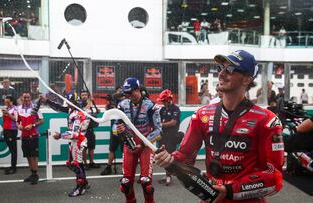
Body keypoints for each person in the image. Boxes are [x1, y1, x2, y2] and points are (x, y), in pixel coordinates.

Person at [155, 50, 285, 203]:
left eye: (229, 69)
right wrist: (169, 161)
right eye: (220, 68)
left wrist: (229, 190)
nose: (221, 74)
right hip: (211, 198)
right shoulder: (202, 116)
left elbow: (274, 178)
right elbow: (184, 158)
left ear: (247, 79)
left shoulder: (267, 120)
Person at [116, 77, 161, 203]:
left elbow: (158, 131)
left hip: (145, 144)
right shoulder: (122, 105)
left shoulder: (151, 106)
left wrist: (142, 143)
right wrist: (119, 129)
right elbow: (116, 126)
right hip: (129, 144)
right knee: (125, 183)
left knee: (146, 183)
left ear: (138, 90)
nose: (129, 96)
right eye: (127, 94)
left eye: (131, 93)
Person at [41, 93, 90, 197]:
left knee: (75, 164)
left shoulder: (79, 113)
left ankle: (80, 188)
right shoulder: (71, 110)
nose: (66, 103)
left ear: (74, 101)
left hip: (78, 141)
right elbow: (59, 108)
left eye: (68, 101)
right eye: (66, 100)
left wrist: (60, 135)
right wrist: (47, 101)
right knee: (76, 164)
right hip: (74, 141)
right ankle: (84, 183)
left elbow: (75, 133)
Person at [17, 91, 43, 185]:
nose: (26, 99)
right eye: (24, 97)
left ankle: (35, 175)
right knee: (28, 155)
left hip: (33, 135)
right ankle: (32, 173)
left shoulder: (35, 108)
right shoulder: (19, 108)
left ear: (30, 98)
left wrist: (32, 125)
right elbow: (17, 121)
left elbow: (41, 120)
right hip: (24, 135)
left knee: (34, 155)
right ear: (21, 98)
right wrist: (18, 126)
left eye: (28, 97)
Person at [156, 89, 180, 186]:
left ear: (168, 100)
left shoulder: (175, 109)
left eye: (164, 101)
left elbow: (173, 123)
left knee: (169, 156)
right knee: (163, 156)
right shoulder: (162, 110)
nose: (162, 103)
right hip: (163, 136)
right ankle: (167, 175)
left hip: (172, 136)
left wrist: (160, 125)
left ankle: (169, 176)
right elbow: (158, 121)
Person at [100, 88, 125, 175]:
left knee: (124, 151)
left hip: (123, 131)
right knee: (111, 149)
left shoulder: (126, 104)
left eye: (121, 93)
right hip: (114, 131)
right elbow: (107, 109)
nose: (119, 94)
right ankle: (108, 167)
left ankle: (125, 168)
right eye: (118, 92)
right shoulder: (112, 104)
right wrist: (109, 102)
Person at [79, 90, 100, 170]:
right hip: (84, 130)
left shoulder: (90, 105)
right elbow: (85, 112)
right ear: (81, 96)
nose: (84, 96)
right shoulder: (80, 104)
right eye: (82, 95)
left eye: (85, 95)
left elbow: (91, 115)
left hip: (91, 129)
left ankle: (91, 162)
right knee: (84, 147)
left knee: (91, 146)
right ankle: (85, 163)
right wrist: (90, 100)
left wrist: (96, 112)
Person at [2, 96, 18, 175]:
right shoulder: (7, 109)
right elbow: (4, 120)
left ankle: (14, 167)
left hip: (12, 130)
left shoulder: (15, 109)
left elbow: (16, 119)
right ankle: (12, 166)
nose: (7, 104)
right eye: (6, 102)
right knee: (11, 148)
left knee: (13, 149)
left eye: (8, 102)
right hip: (6, 130)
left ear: (12, 101)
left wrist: (7, 114)